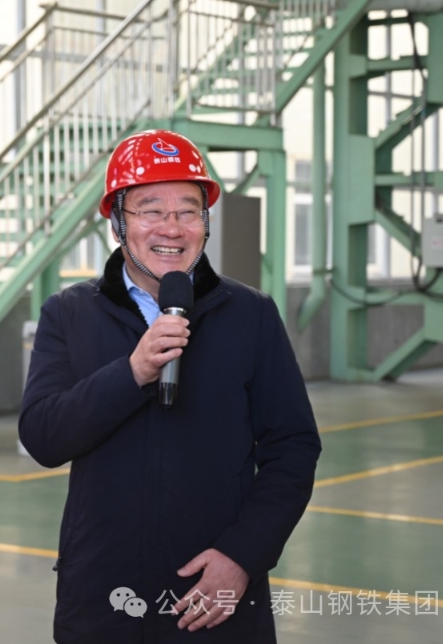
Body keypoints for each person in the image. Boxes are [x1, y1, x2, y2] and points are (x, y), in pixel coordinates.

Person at [19, 130, 321, 643]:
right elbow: (44, 438)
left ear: (206, 223)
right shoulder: (69, 313)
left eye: (188, 211)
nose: (172, 228)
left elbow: (293, 448)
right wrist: (131, 372)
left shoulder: (250, 314)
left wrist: (243, 555)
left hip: (214, 596)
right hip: (103, 592)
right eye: (151, 210)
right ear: (117, 222)